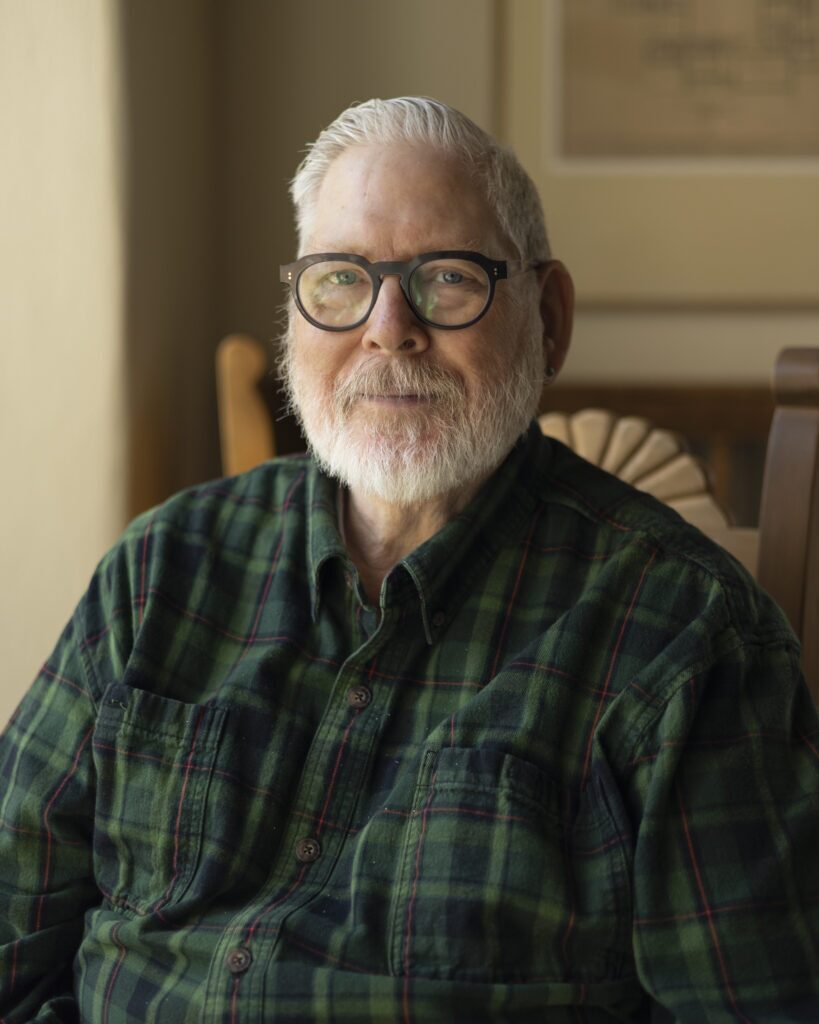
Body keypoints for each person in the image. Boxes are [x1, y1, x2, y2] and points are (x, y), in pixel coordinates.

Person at [1, 97, 817, 1024]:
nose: (388, 328)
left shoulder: (686, 636)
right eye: (341, 279)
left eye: (445, 278)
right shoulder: (159, 573)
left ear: (547, 319)